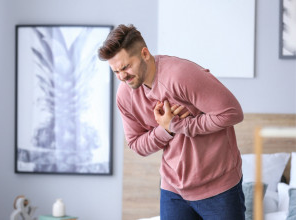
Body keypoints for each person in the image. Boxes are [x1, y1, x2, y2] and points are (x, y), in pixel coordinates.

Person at [98, 24, 246, 220]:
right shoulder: (125, 96)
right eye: (116, 71)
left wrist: (178, 125)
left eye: (125, 67)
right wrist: (165, 130)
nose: (122, 77)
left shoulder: (181, 75)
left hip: (219, 189)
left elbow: (232, 113)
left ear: (144, 53)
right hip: (173, 190)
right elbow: (136, 145)